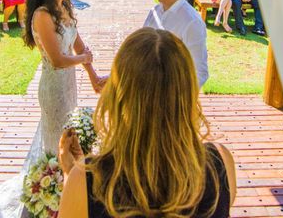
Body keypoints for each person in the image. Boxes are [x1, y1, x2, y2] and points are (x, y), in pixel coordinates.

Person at [57, 28, 236, 218]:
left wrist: (74, 175)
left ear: (119, 96)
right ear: (187, 93)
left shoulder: (87, 180)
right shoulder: (221, 164)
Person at [0, 0, 105, 218]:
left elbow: (79, 46)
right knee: (57, 141)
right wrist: (83, 61)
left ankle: (68, 191)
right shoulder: (43, 15)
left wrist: (93, 76)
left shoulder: (64, 7)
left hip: (70, 85)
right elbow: (57, 60)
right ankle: (52, 197)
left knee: (70, 137)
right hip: (54, 88)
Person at [143, 0, 209, 88]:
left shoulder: (192, 22)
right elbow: (141, 50)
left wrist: (174, 100)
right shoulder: (154, 12)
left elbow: (199, 73)